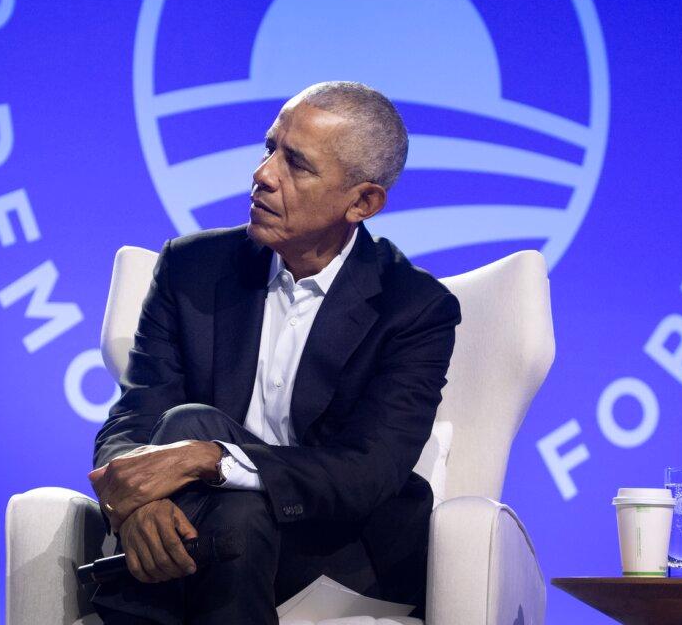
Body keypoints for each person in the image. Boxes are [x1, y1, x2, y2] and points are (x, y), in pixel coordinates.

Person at [87, 81, 461, 624]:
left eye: (297, 164)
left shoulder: (415, 308)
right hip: (203, 530)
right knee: (223, 491)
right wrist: (142, 505)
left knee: (200, 437)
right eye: (269, 149)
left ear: (362, 201)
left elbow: (367, 472)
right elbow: (134, 419)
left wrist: (211, 458)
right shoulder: (192, 269)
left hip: (334, 551)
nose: (263, 175)